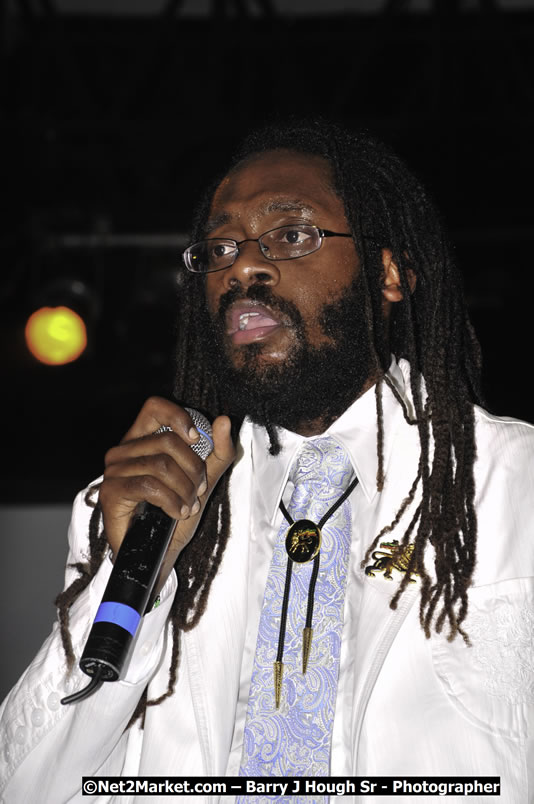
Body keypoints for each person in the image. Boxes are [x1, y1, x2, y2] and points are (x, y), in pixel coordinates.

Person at [1, 119, 533, 803]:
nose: (241, 267)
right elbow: (28, 787)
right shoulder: (151, 502)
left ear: (389, 273)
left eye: (290, 234)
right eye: (219, 247)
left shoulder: (510, 484)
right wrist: (134, 571)